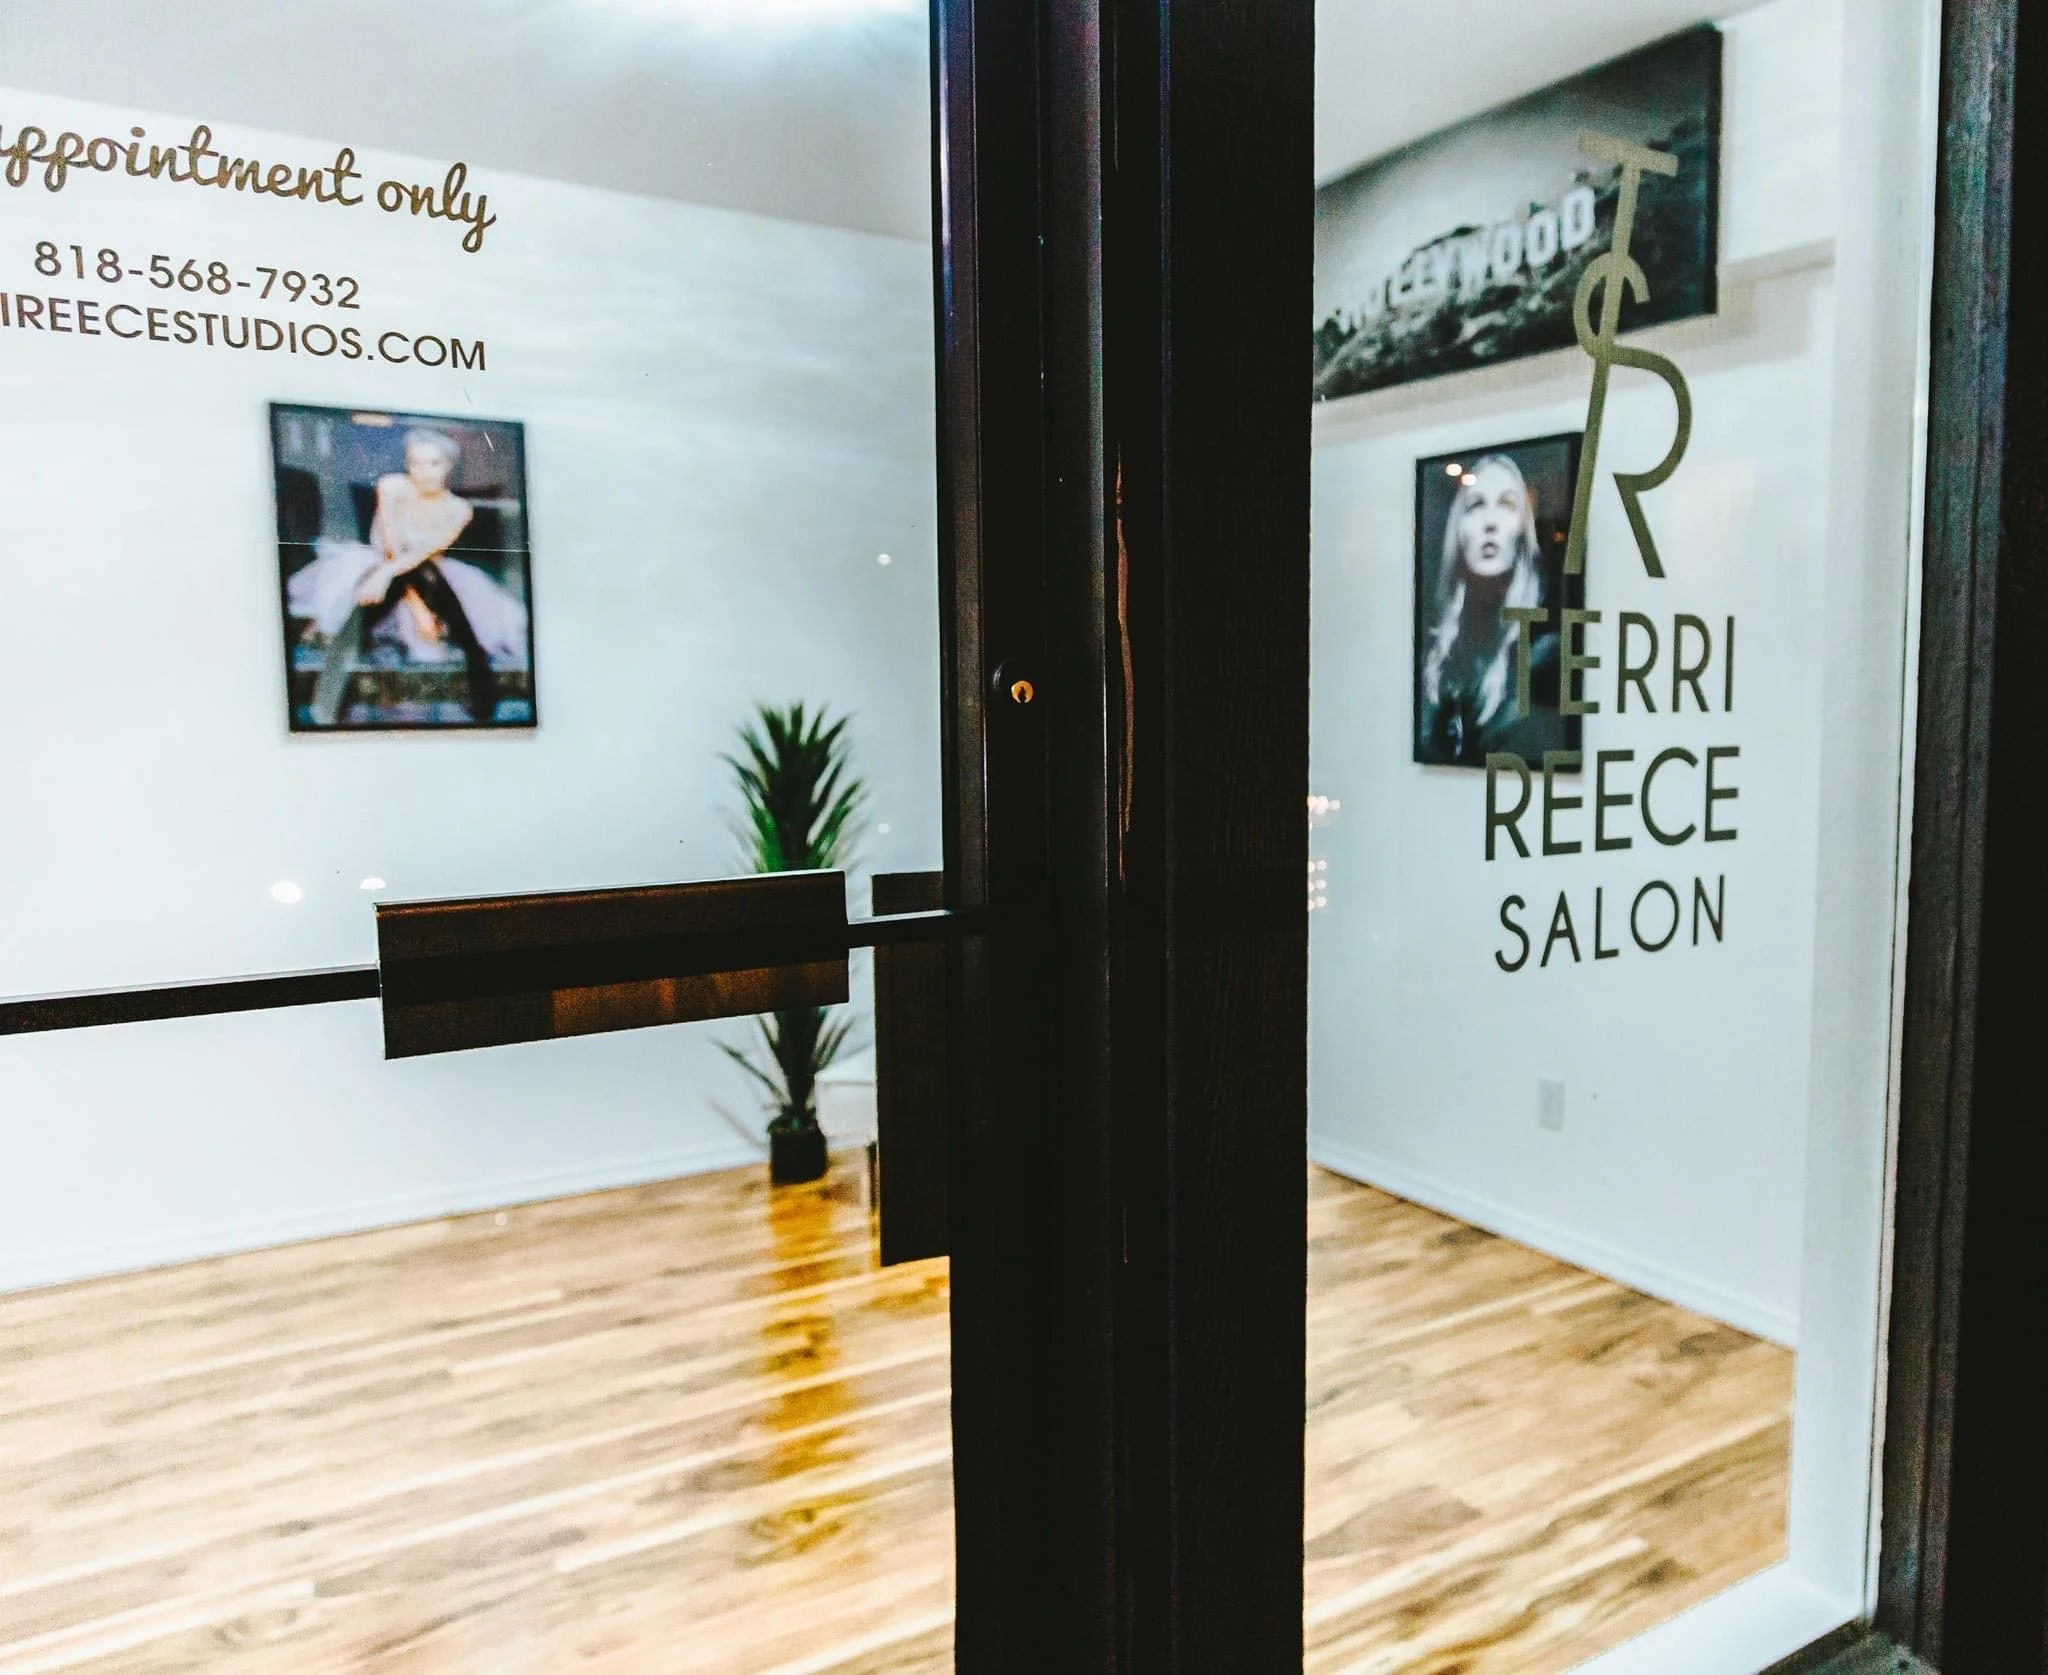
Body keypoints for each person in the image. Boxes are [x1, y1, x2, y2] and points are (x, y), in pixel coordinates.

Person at [286, 427, 528, 725]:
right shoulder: (393, 486)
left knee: (437, 590)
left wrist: (416, 604)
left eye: (434, 463)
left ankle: (482, 701)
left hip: (420, 572)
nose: (424, 472)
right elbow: (394, 546)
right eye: (416, 463)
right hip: (380, 564)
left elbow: (424, 552)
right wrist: (399, 590)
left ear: (449, 466)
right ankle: (328, 703)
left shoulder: (459, 509)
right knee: (360, 619)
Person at [1415, 452, 1562, 766]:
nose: (1490, 523)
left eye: (1507, 505)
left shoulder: (1545, 653)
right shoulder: (1431, 653)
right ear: (1459, 530)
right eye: (1476, 505)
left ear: (1523, 531)